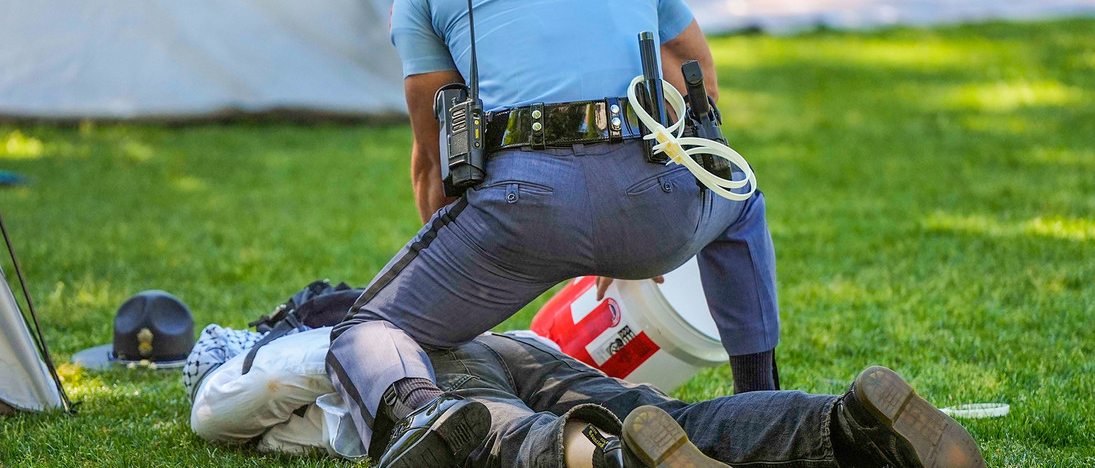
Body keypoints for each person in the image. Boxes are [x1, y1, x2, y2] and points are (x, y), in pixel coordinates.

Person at [327, 0, 780, 465]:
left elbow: (432, 159)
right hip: (653, 204)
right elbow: (694, 70)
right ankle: (760, 395)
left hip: (519, 215)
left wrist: (456, 273)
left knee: (369, 330)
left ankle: (422, 417)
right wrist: (653, 210)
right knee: (741, 199)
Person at [195, 327, 987, 468]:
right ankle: (846, 426)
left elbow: (228, 404)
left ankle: (615, 464)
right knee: (676, 417)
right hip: (523, 344)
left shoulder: (301, 339)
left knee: (490, 439)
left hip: (427, 366)